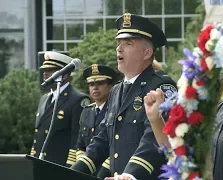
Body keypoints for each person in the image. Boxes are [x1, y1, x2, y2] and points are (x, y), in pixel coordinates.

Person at [71, 13, 177, 180]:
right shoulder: (116, 90)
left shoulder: (162, 87)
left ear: (147, 52)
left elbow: (154, 139)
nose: (118, 49)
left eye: (128, 43)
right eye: (118, 43)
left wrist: (130, 174)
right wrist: (75, 170)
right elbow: (104, 138)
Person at [30, 51, 90, 167]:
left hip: (59, 165)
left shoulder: (77, 99)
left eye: (50, 70)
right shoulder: (44, 99)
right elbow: (38, 134)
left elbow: (76, 137)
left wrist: (71, 166)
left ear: (65, 74)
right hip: (40, 163)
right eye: (44, 70)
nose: (45, 74)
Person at [76, 64, 118, 178]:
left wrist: (103, 171)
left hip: (108, 172)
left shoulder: (116, 111)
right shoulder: (86, 112)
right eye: (91, 84)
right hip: (87, 170)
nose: (95, 87)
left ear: (110, 86)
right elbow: (80, 145)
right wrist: (82, 166)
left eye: (100, 83)